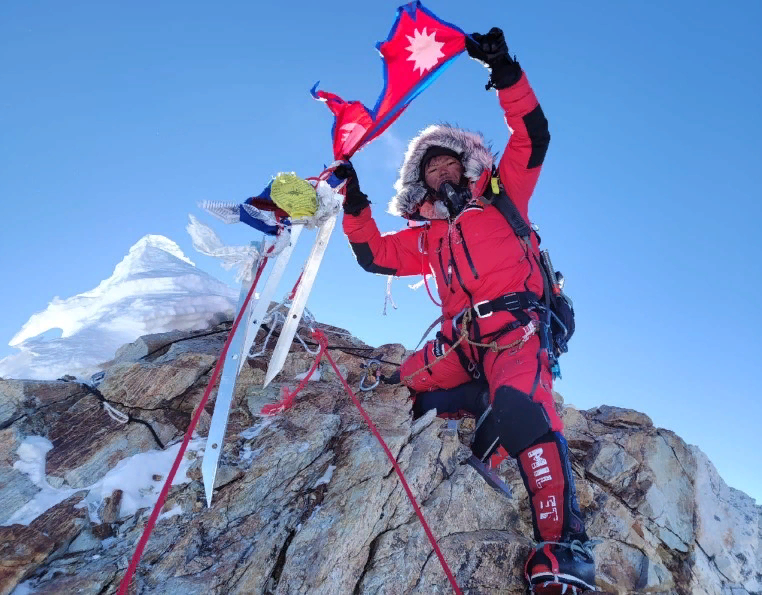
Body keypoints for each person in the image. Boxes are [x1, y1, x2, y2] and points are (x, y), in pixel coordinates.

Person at [337, 27, 597, 594]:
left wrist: (504, 70)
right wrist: (354, 202)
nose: (440, 173)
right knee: (407, 385)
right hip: (463, 344)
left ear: (466, 164)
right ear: (420, 184)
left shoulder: (503, 198)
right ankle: (485, 409)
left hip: (519, 328)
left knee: (523, 409)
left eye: (448, 163)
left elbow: (532, 133)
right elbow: (373, 256)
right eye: (429, 171)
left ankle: (564, 549)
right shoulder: (429, 238)